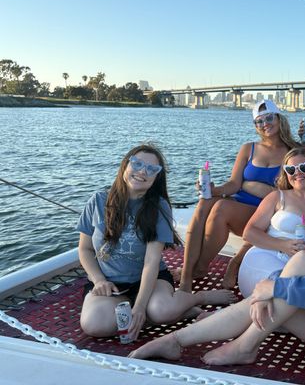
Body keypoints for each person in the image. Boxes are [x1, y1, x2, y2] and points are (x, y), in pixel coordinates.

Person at [130, 167, 305, 376]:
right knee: (276, 294)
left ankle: (244, 345)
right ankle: (174, 340)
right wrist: (271, 287)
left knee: (302, 264)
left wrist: (276, 288)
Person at [77, 144, 235, 341]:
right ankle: (175, 313)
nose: (143, 171)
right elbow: (85, 249)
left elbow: (151, 262)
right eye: (137, 163)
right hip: (110, 283)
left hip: (150, 280)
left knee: (161, 310)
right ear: (126, 165)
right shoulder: (98, 201)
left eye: (152, 169)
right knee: (94, 325)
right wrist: (99, 280)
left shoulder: (158, 207)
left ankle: (197, 298)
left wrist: (141, 308)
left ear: (156, 178)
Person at [178, 100, 299, 292]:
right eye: (259, 121)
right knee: (205, 202)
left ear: (279, 118)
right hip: (239, 205)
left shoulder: (292, 152)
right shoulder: (248, 148)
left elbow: (296, 190)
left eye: (269, 118)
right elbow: (234, 184)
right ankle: (187, 273)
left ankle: (200, 268)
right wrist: (212, 189)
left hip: (265, 214)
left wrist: (252, 186)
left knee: (221, 208)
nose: (265, 123)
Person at [238, 147, 305, 298]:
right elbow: (249, 233)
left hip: (304, 265)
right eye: (291, 169)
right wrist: (283, 245)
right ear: (286, 173)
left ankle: (229, 317)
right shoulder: (277, 197)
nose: (297, 173)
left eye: (303, 167)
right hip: (268, 257)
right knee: (286, 292)